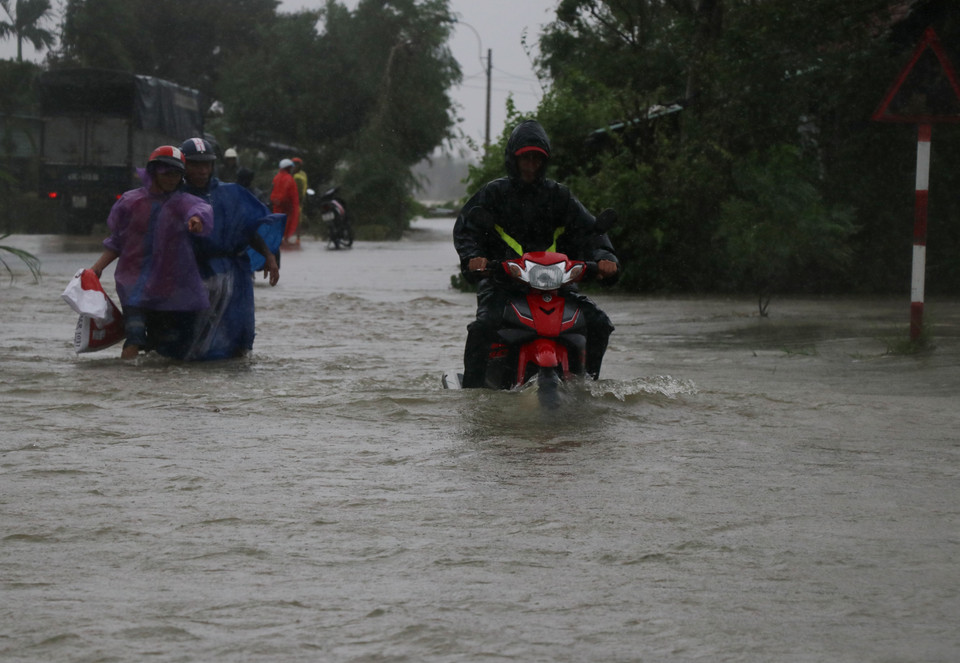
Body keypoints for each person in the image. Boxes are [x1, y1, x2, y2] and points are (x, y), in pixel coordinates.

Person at [453, 119, 619, 387]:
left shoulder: (559, 196)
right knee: (483, 327)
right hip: (503, 284)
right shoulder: (493, 194)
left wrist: (606, 258)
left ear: (545, 162)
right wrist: (474, 258)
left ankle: (588, 385)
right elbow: (466, 230)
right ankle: (473, 393)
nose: (530, 166)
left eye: (536, 160)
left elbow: (591, 230)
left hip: (557, 286)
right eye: (525, 159)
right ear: (513, 159)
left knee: (599, 323)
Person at [90, 145, 214, 360]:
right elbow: (117, 241)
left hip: (169, 288)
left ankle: (152, 387)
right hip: (133, 284)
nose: (171, 179)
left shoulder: (182, 203)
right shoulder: (130, 202)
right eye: (166, 173)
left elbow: (200, 210)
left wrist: (196, 220)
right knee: (134, 337)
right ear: (153, 171)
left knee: (162, 348)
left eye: (176, 174)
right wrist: (97, 268)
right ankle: (126, 386)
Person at [179, 137, 284, 360]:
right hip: (194, 272)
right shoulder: (174, 196)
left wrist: (269, 256)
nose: (202, 170)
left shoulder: (231, 193)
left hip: (234, 272)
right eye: (195, 164)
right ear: (183, 166)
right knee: (192, 330)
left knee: (240, 329)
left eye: (206, 164)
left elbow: (247, 229)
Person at [271, 158, 300, 246]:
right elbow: (292, 194)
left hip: (277, 206)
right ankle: (285, 240)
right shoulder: (289, 179)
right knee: (287, 223)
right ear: (287, 168)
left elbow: (273, 192)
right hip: (286, 207)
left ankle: (280, 240)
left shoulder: (276, 177)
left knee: (278, 223)